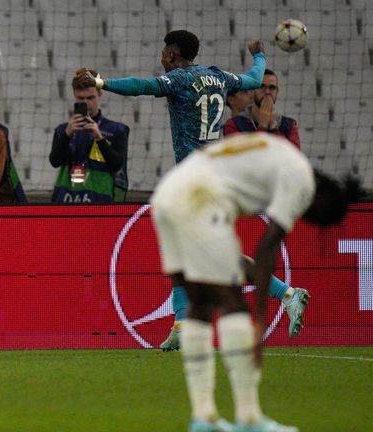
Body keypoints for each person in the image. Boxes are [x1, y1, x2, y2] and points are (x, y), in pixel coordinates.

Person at [80, 31, 306, 350]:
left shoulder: (180, 80)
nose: (161, 57)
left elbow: (142, 87)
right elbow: (255, 78)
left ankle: (284, 294)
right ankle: (185, 324)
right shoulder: (218, 77)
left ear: (172, 55)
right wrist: (259, 55)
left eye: (164, 51)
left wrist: (102, 82)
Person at [151, 132, 359, 432]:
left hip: (166, 197)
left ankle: (203, 418)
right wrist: (260, 320)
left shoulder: (279, 152)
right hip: (199, 198)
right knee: (232, 301)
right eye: (319, 219)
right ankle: (249, 418)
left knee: (199, 303)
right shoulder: (300, 177)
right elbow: (267, 246)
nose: (308, 220)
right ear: (322, 199)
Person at [49, 68, 129, 203]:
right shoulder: (62, 130)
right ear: (74, 95)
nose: (86, 103)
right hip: (65, 202)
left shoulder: (117, 130)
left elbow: (116, 166)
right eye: (81, 98)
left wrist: (99, 138)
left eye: (90, 98)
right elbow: (54, 162)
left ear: (100, 94)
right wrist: (67, 135)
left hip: (100, 203)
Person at [224, 69, 300, 149]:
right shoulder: (234, 125)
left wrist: (273, 127)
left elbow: (294, 157)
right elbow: (241, 158)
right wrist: (262, 126)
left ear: (277, 92)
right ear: (252, 91)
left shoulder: (290, 125)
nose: (267, 92)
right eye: (262, 86)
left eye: (272, 87)